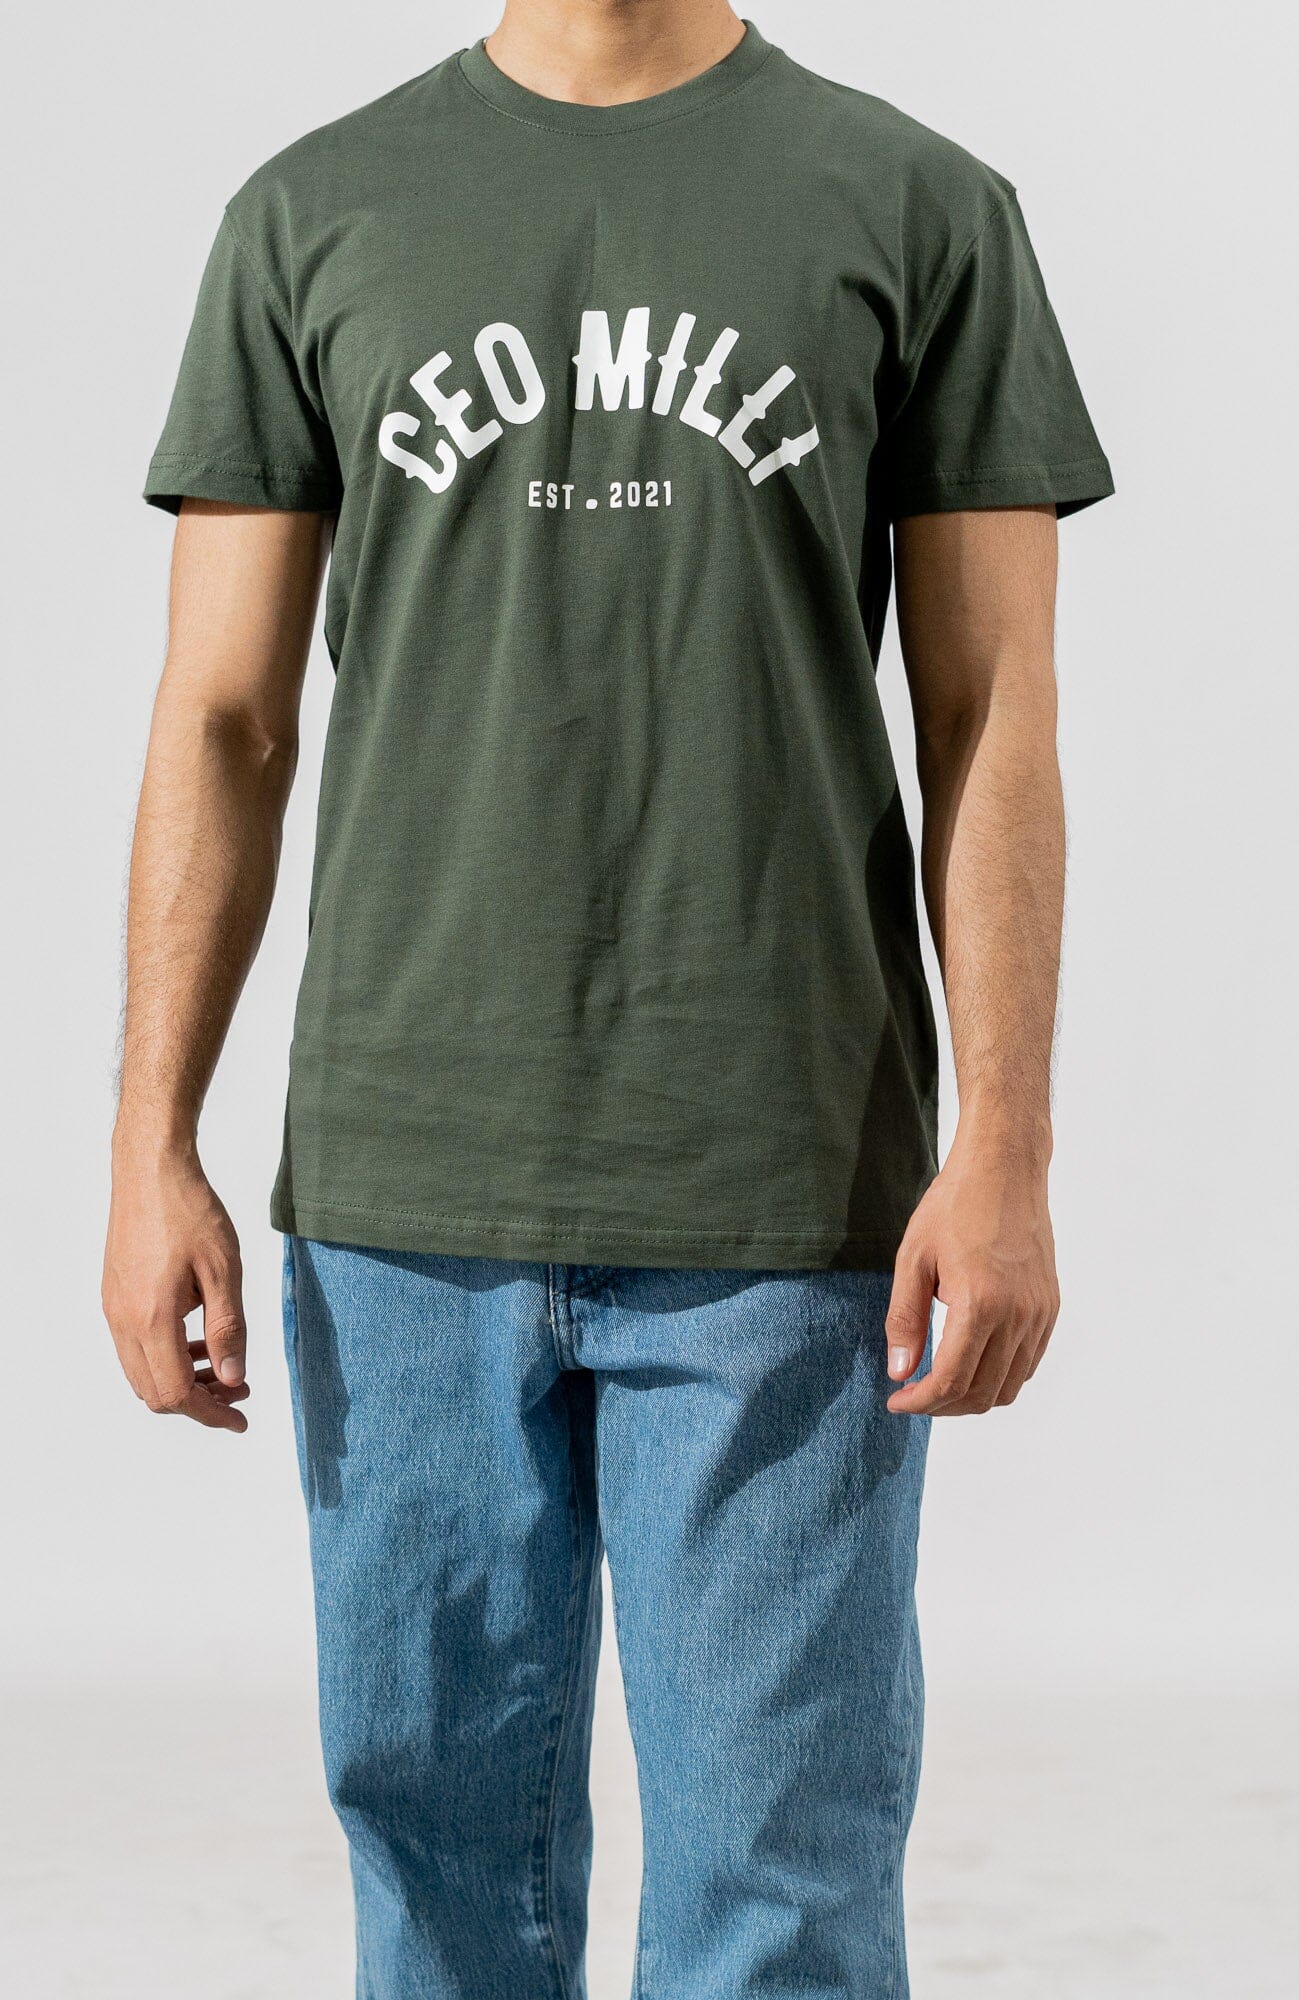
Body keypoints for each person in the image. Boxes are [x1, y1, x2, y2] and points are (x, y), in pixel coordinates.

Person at [102, 3, 1112, 1992]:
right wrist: (152, 1147)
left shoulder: (918, 207)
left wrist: (1005, 1142)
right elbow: (221, 718)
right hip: (401, 1182)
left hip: (783, 1180)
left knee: (780, 1879)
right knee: (433, 1868)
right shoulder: (312, 212)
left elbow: (991, 709)